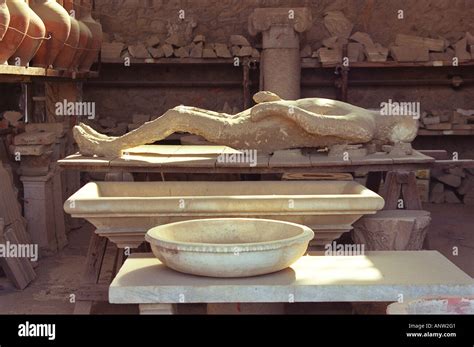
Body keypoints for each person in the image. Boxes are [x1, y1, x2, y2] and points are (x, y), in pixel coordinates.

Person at [74, 91, 418, 157]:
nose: (391, 109)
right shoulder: (363, 114)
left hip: (256, 134)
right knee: (181, 114)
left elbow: (314, 125)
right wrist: (280, 104)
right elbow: (312, 112)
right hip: (262, 121)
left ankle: (109, 146)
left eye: (397, 113)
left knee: (179, 116)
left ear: (394, 125)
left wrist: (285, 108)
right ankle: (110, 141)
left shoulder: (364, 127)